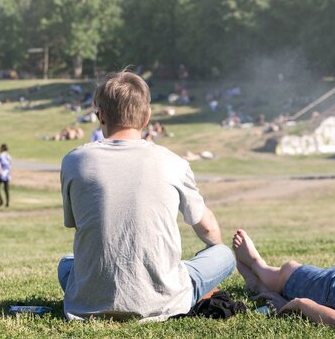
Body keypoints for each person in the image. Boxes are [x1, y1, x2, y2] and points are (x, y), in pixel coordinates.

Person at [57, 70, 234, 321]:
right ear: (147, 117)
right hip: (164, 301)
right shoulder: (173, 163)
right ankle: (183, 286)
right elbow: (207, 230)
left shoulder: (74, 161)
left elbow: (75, 222)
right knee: (224, 255)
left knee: (66, 264)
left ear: (101, 115)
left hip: (86, 303)